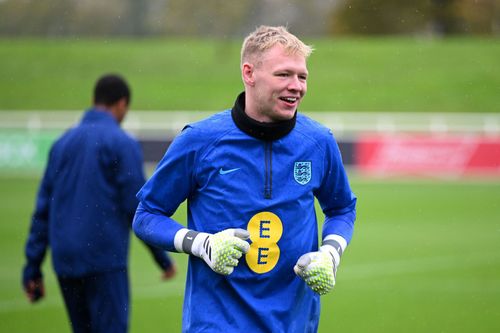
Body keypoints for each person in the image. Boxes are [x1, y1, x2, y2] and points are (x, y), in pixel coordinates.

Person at [133, 26, 357, 332]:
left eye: (302, 77)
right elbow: (147, 216)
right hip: (217, 325)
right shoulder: (200, 141)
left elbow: (342, 208)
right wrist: (202, 244)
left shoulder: (318, 141)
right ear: (249, 73)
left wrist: (331, 253)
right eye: (284, 75)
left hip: (294, 325)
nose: (297, 86)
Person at [22, 74, 176, 333]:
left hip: (66, 261)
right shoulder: (121, 143)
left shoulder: (61, 144)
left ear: (94, 101)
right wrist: (161, 257)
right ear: (122, 104)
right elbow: (136, 208)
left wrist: (32, 267)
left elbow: (42, 211)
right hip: (103, 259)